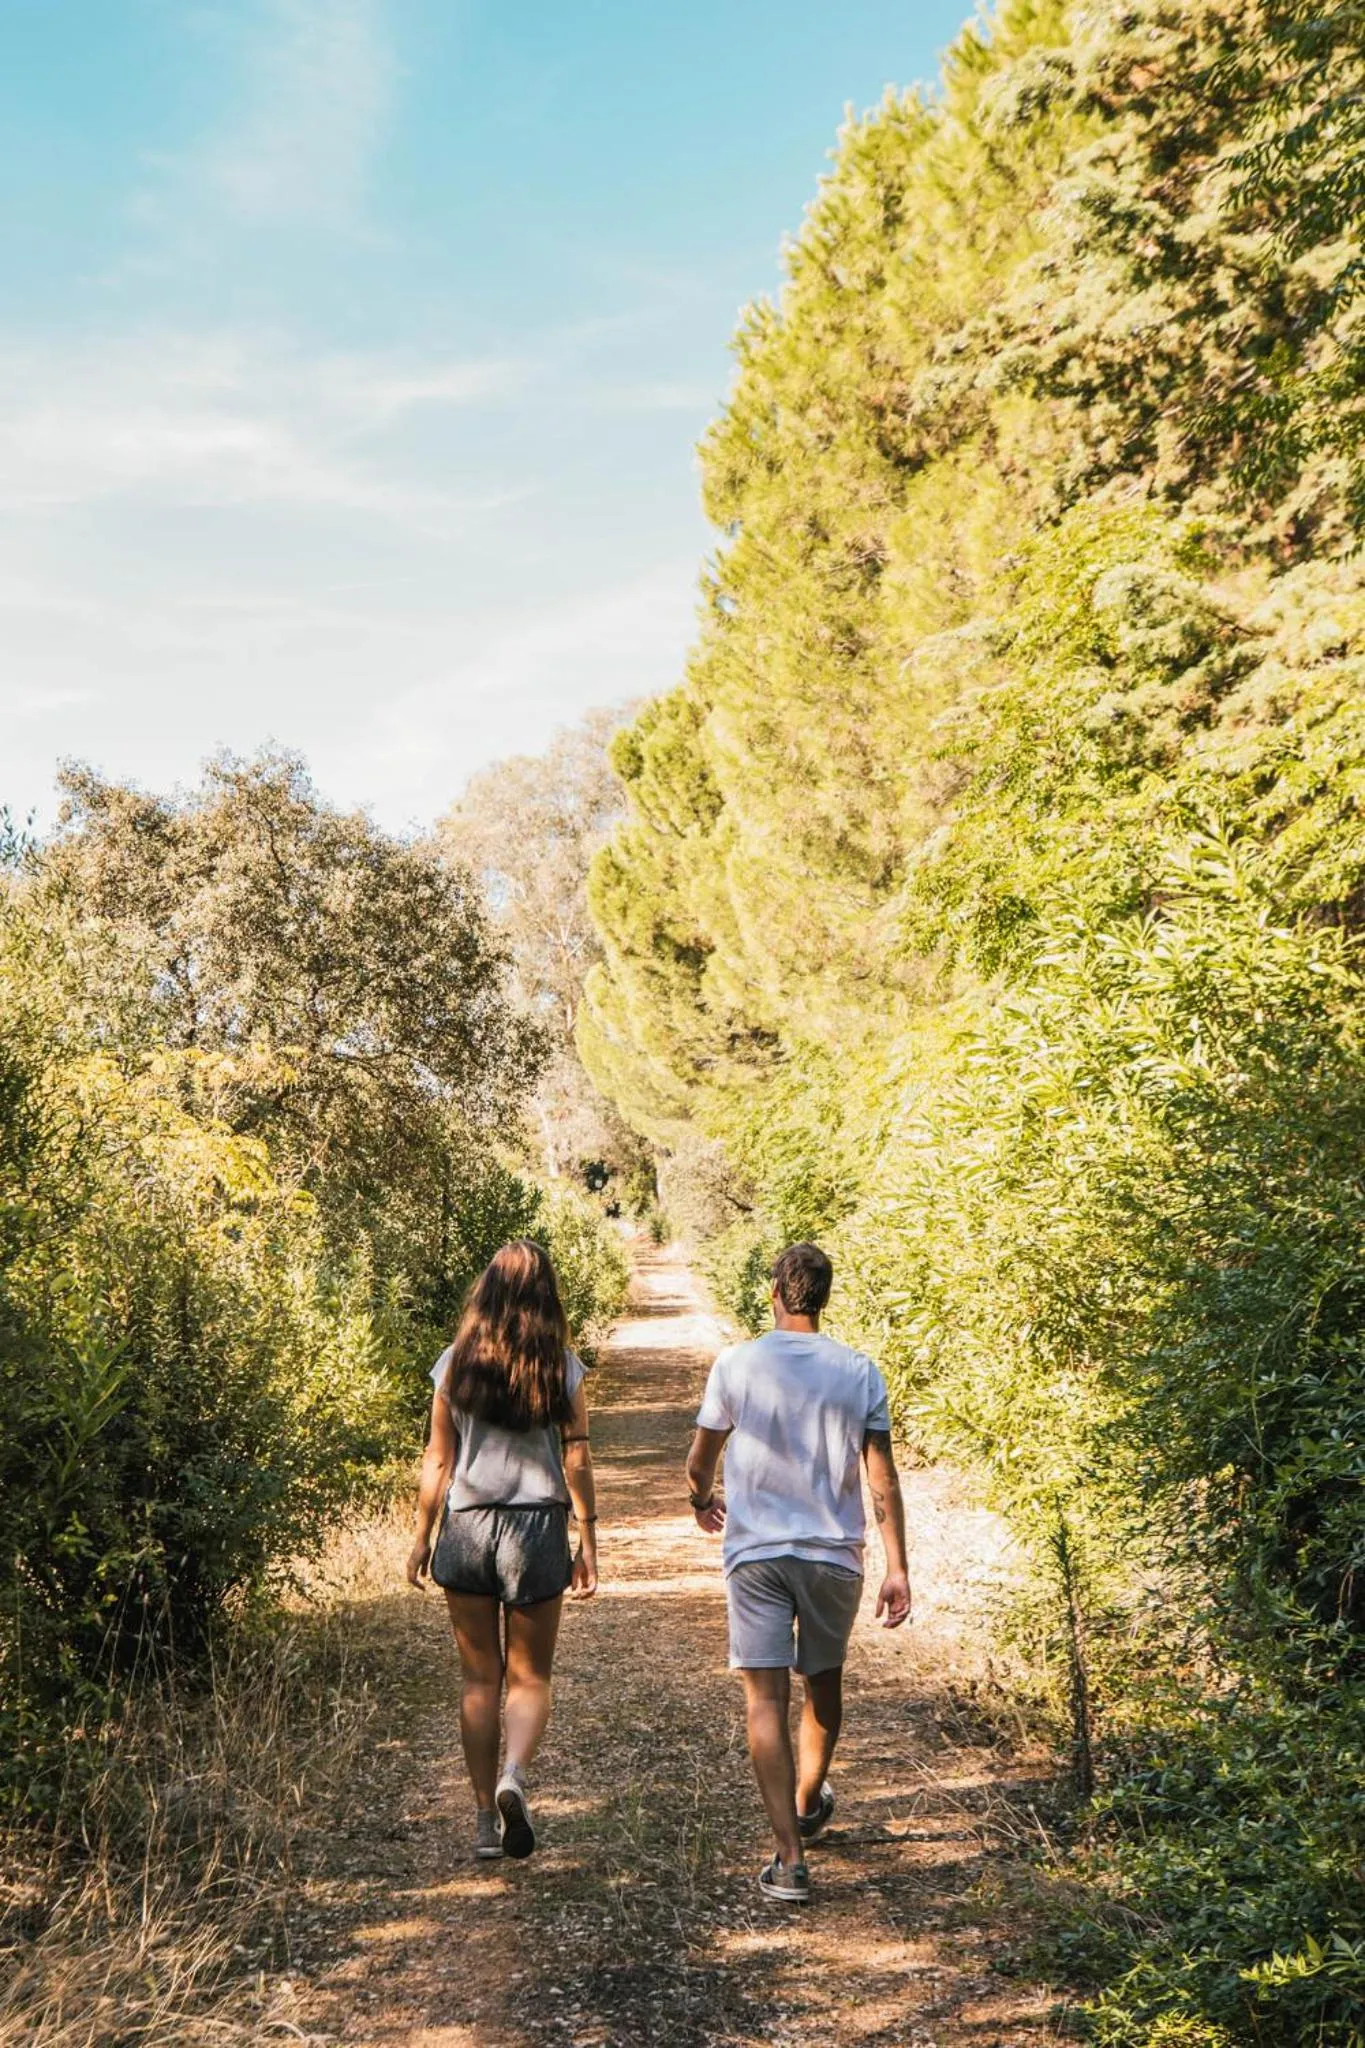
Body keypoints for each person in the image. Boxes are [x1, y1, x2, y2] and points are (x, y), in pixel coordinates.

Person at [686, 1241, 911, 1905]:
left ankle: (788, 1858)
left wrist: (702, 1500)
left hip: (755, 1553)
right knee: (822, 1683)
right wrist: (896, 1566)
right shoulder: (859, 1371)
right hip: (833, 1554)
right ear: (824, 1295)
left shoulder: (736, 1364)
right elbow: (882, 1479)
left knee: (763, 1700)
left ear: (775, 1294)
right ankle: (809, 1797)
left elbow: (700, 1460)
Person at [407, 1239, 598, 1861]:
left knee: (478, 1677)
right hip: (537, 1528)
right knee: (530, 1675)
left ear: (485, 1291)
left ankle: (486, 1819)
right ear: (547, 1296)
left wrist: (420, 1537)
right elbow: (576, 1456)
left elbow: (439, 1458)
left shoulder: (454, 1363)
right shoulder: (562, 1366)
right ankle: (515, 1771)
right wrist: (588, 1537)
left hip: (465, 1527)